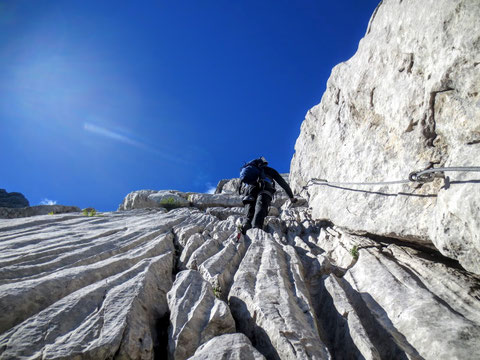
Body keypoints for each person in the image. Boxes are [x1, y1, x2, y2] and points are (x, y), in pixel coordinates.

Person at [239, 157, 296, 234]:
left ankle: (245, 225)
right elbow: (283, 184)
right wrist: (291, 197)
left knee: (249, 208)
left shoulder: (252, 171)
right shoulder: (270, 170)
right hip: (265, 187)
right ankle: (256, 227)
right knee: (261, 206)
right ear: (265, 164)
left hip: (250, 189)